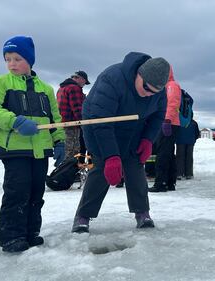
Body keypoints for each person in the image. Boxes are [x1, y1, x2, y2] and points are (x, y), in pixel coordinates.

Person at [0, 36, 65, 252]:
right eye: (7, 59)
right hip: (14, 150)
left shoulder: (46, 89)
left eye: (17, 58)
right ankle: (11, 236)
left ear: (30, 60)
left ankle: (30, 232)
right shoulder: (0, 83)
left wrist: (60, 141)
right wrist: (14, 121)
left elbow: (55, 118)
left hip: (40, 151)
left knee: (37, 192)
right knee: (17, 192)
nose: (12, 64)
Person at [71, 52, 170, 233]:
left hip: (134, 129)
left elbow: (158, 117)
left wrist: (148, 140)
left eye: (154, 92)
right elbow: (101, 121)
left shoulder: (158, 92)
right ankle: (83, 216)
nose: (148, 95)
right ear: (139, 74)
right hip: (99, 126)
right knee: (101, 168)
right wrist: (111, 156)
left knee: (135, 165)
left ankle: (142, 212)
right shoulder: (111, 79)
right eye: (146, 88)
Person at [149, 66, 181, 192]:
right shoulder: (164, 87)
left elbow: (173, 103)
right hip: (168, 122)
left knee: (162, 154)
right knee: (168, 153)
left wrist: (167, 120)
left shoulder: (171, 85)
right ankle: (169, 182)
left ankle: (160, 183)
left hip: (168, 123)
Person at [56, 70, 89, 165]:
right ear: (80, 79)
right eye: (84, 82)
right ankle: (70, 173)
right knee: (74, 152)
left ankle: (64, 172)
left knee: (67, 151)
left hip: (63, 124)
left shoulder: (61, 89)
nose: (84, 85)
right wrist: (84, 124)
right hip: (73, 125)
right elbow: (78, 108)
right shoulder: (74, 88)